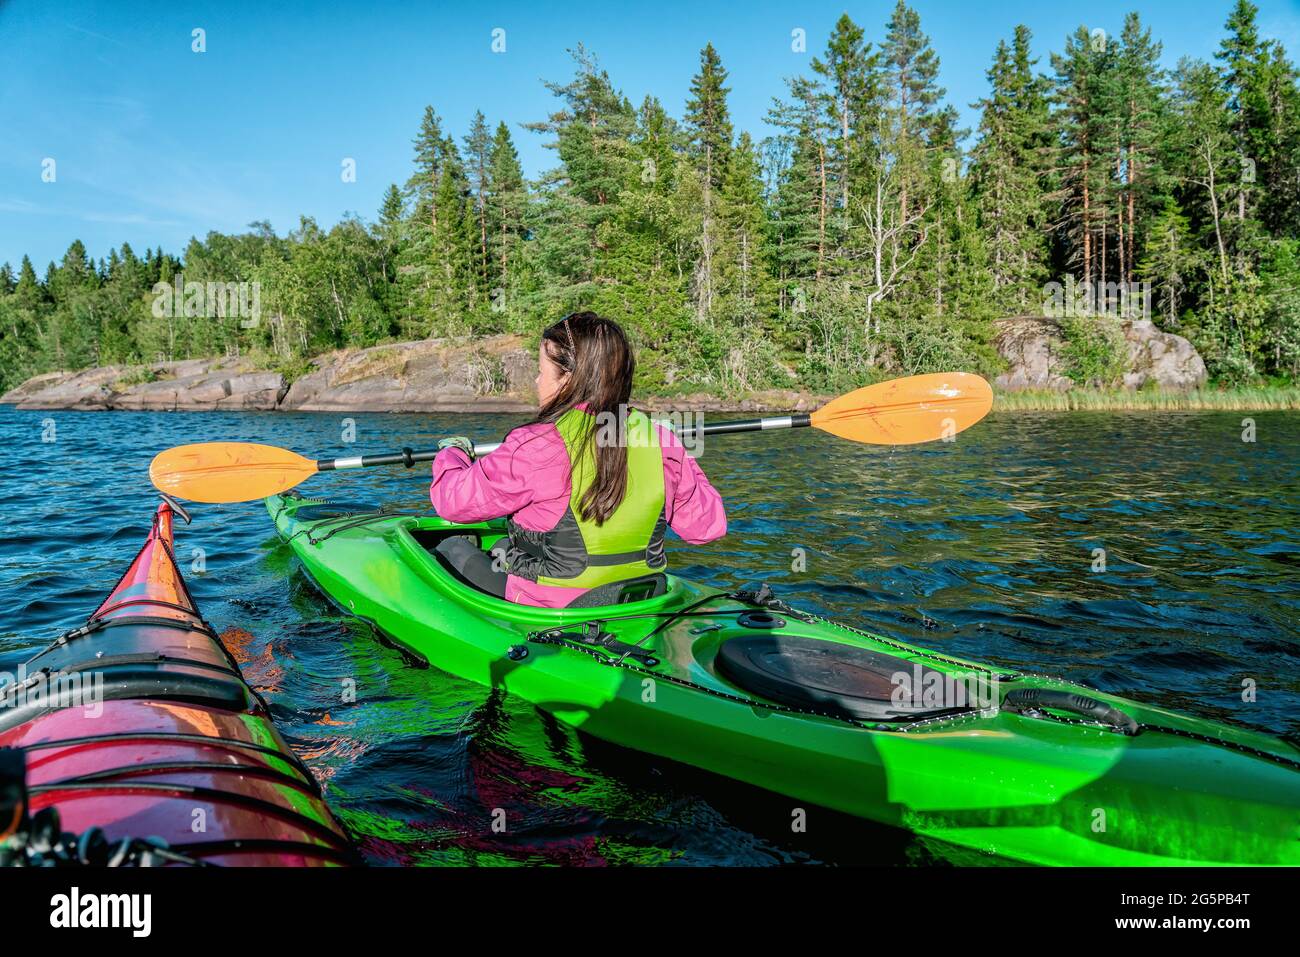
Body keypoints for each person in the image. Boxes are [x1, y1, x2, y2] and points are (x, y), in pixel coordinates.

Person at [429, 311, 727, 608]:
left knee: (453, 547)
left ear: (567, 379)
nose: (536, 380)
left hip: (553, 610)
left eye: (541, 370)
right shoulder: (661, 441)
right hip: (637, 600)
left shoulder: (536, 444)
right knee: (502, 548)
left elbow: (452, 502)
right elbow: (708, 527)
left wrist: (452, 453)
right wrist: (680, 453)